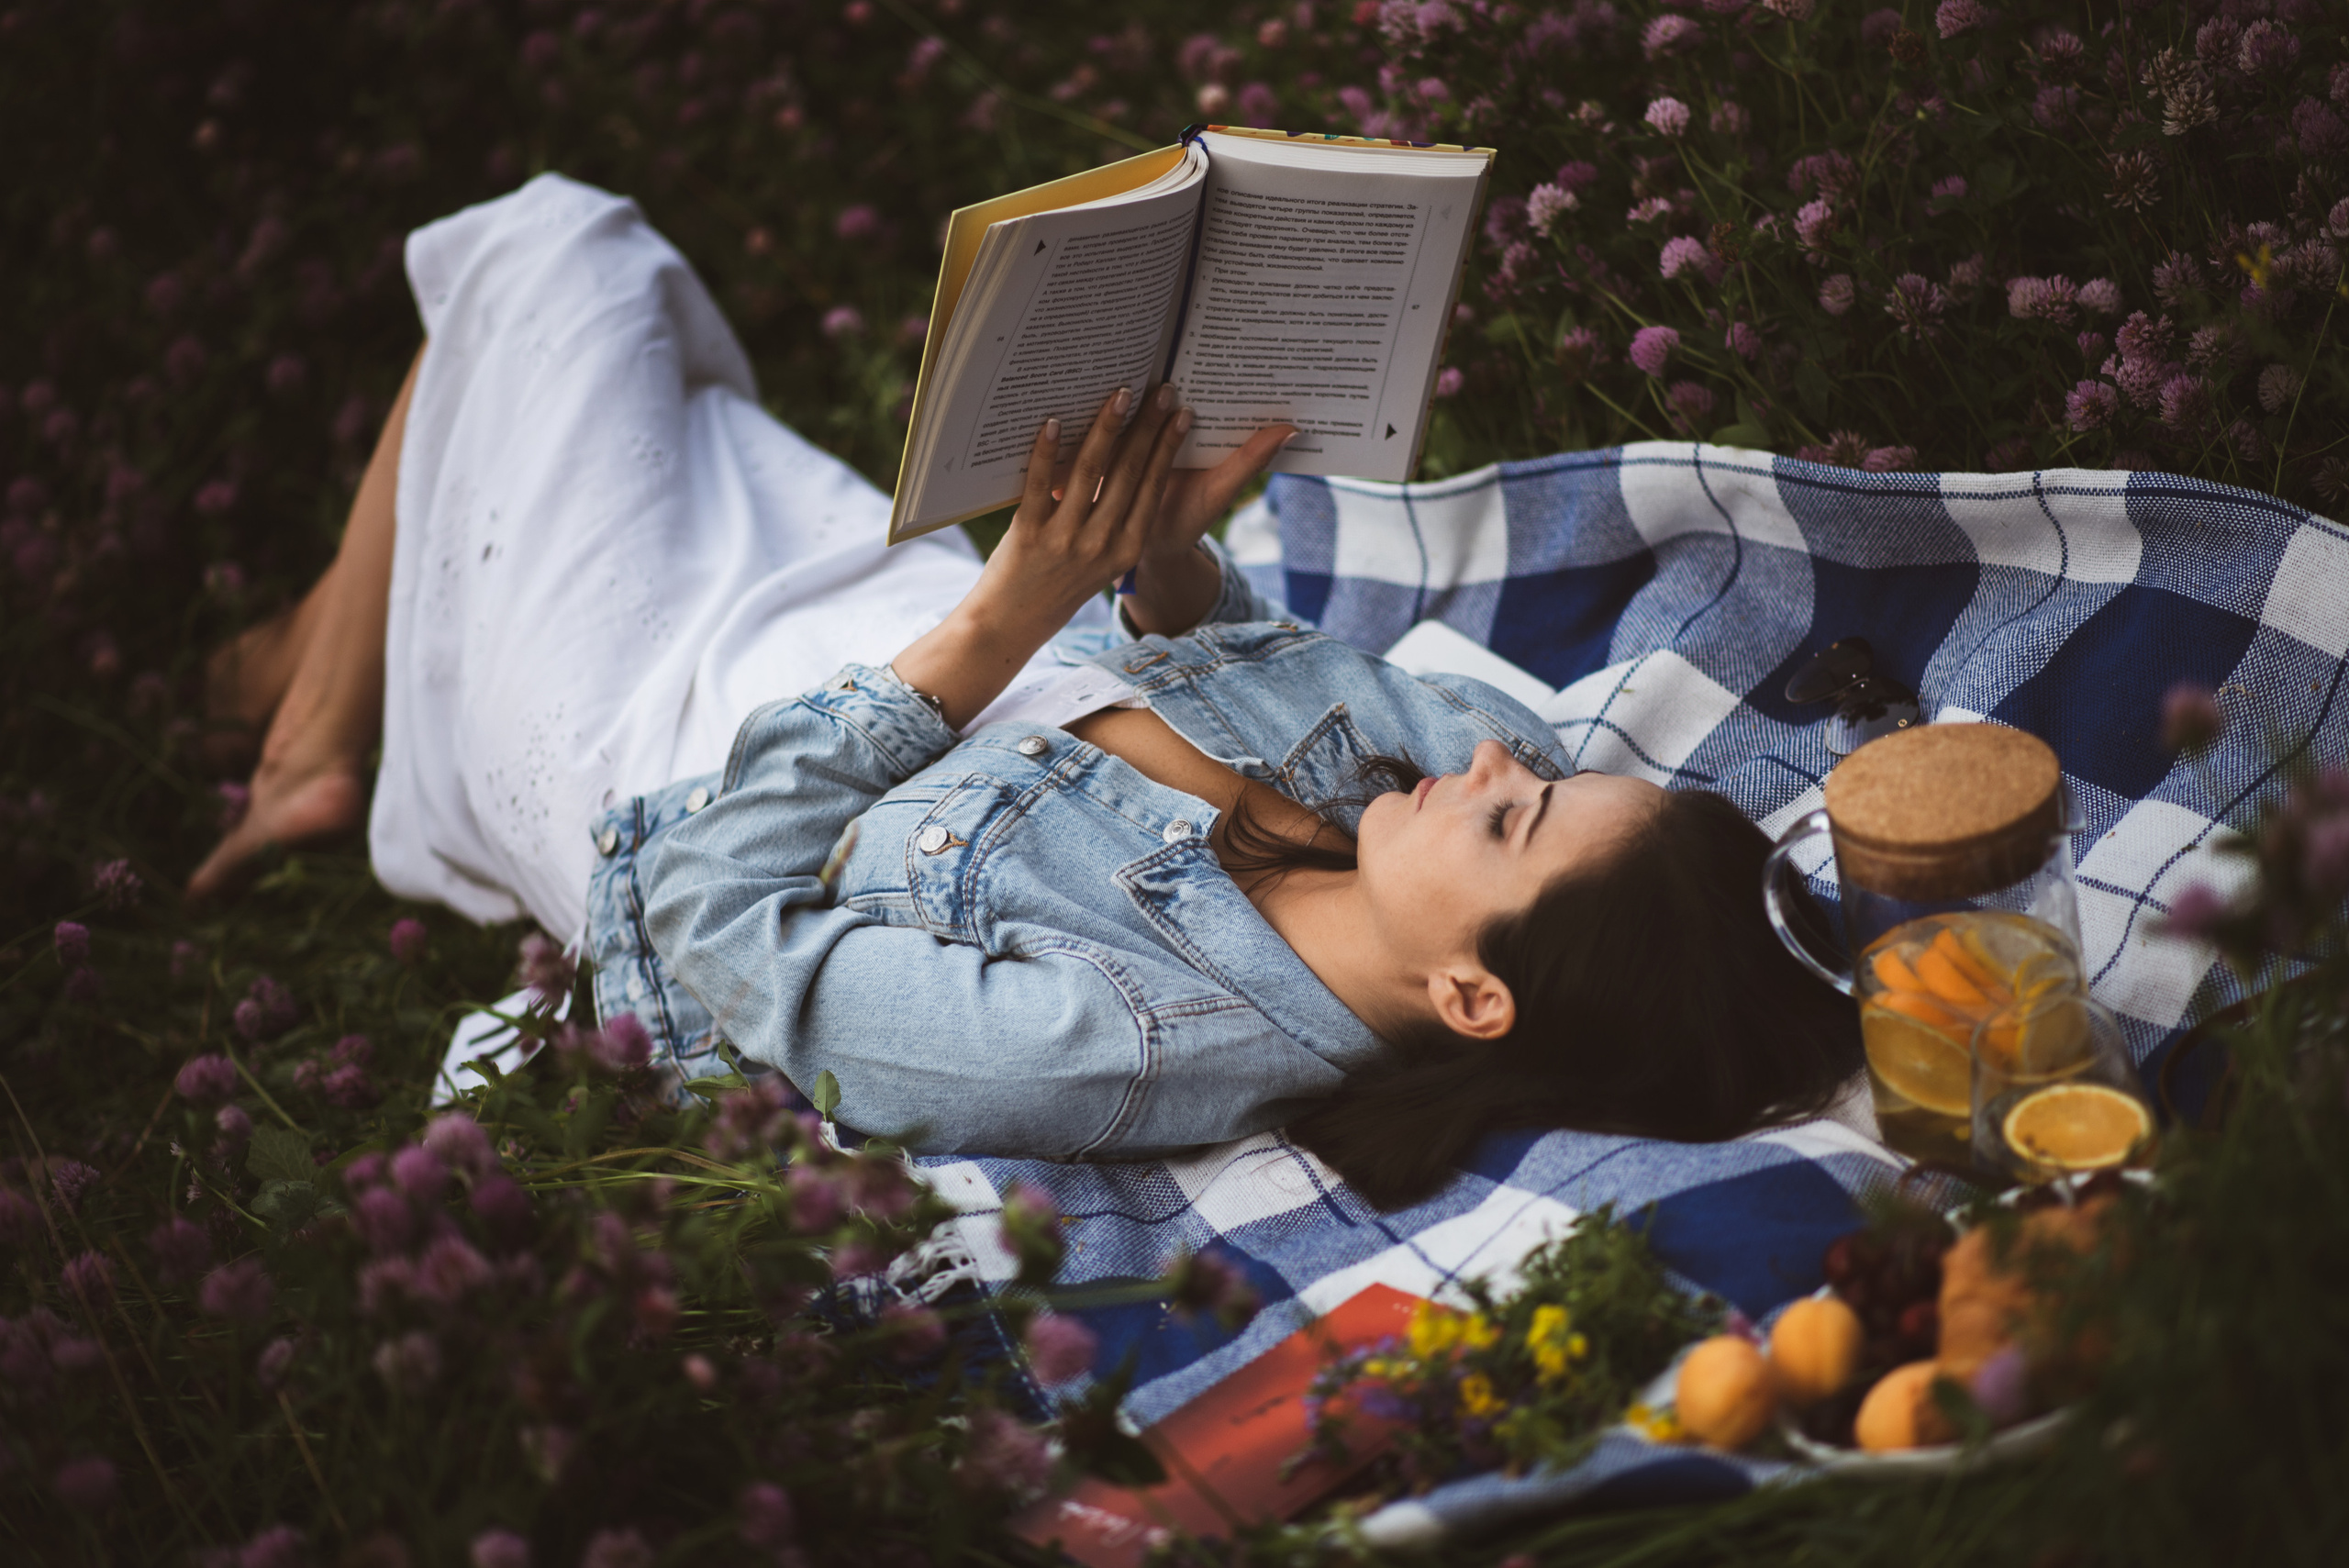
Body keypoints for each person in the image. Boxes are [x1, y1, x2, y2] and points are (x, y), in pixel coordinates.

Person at [197, 175, 1858, 1210]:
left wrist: (1003, 619)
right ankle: (328, 708)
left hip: (669, 734)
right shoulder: (1424, 836)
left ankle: (299, 707)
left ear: (1474, 1002)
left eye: (1520, 811)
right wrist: (1163, 565)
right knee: (636, 380)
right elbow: (1252, 665)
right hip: (888, 613)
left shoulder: (1118, 1041)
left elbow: (711, 902)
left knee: (566, 248)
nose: (1501, 749)